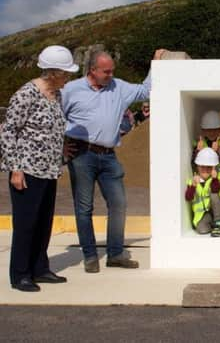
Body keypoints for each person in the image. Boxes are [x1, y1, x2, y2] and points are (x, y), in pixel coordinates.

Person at [62, 48, 164, 273]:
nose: (110, 75)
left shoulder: (118, 87)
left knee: (118, 204)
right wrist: (61, 145)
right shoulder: (71, 89)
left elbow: (146, 90)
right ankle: (90, 255)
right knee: (84, 207)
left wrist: (154, 63)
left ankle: (115, 254)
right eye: (106, 71)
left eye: (112, 71)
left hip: (108, 155)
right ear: (92, 70)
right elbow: (55, 117)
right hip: (81, 154)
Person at [1, 45, 79, 291]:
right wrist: (15, 167)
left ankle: (40, 268)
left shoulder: (56, 95)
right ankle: (20, 274)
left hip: (49, 169)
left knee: (44, 221)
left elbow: (52, 129)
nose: (68, 78)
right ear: (52, 73)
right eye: (66, 74)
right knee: (26, 223)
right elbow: (8, 131)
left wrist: (60, 150)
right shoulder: (26, 94)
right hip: (27, 170)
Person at [184, 148, 220, 236]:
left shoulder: (215, 180)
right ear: (197, 167)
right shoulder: (192, 181)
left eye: (209, 167)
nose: (205, 169)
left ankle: (219, 223)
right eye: (202, 166)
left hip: (216, 210)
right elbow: (188, 197)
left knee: (213, 193)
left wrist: (214, 179)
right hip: (203, 214)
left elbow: (216, 189)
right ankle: (214, 226)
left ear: (213, 168)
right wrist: (193, 186)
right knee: (202, 230)